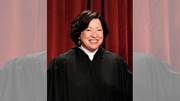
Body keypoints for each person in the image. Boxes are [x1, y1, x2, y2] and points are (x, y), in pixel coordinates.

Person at [48, 10, 132, 101]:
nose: (94, 35)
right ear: (79, 33)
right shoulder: (60, 64)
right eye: (88, 30)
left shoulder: (116, 63)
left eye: (99, 30)